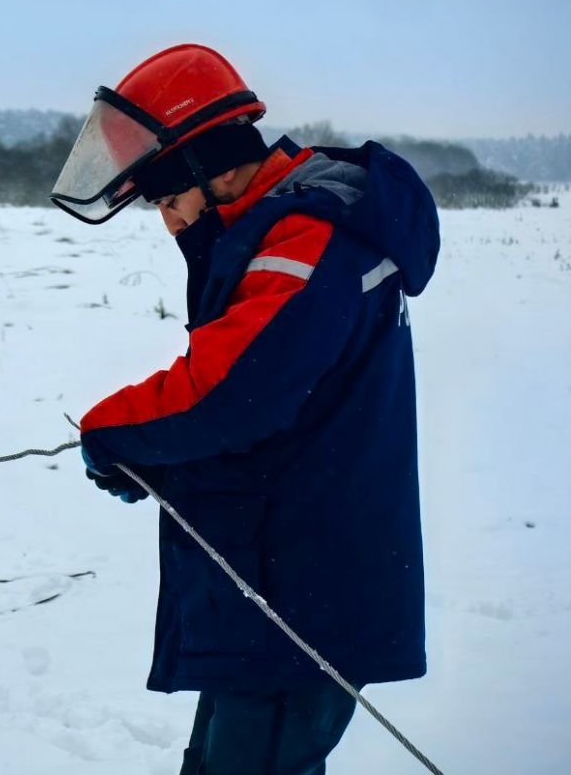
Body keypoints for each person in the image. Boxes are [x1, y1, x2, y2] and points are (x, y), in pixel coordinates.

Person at [50, 44, 439, 774]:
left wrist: (114, 433)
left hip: (302, 598)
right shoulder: (279, 230)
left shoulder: (309, 238)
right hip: (275, 580)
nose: (169, 223)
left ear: (216, 168)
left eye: (169, 200)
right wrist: (162, 465)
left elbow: (232, 394)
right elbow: (279, 426)